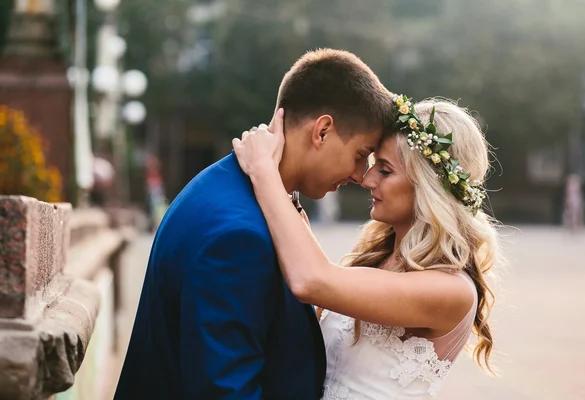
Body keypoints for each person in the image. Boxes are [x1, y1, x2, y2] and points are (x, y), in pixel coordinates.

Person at [114, 49, 396, 399]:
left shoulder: (230, 186)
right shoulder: (239, 236)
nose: (360, 175)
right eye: (359, 155)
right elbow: (225, 392)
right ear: (322, 131)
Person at [233, 97, 501, 399]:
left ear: (429, 186)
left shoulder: (452, 291)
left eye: (384, 170)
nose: (366, 178)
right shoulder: (376, 261)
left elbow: (310, 280)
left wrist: (264, 172)